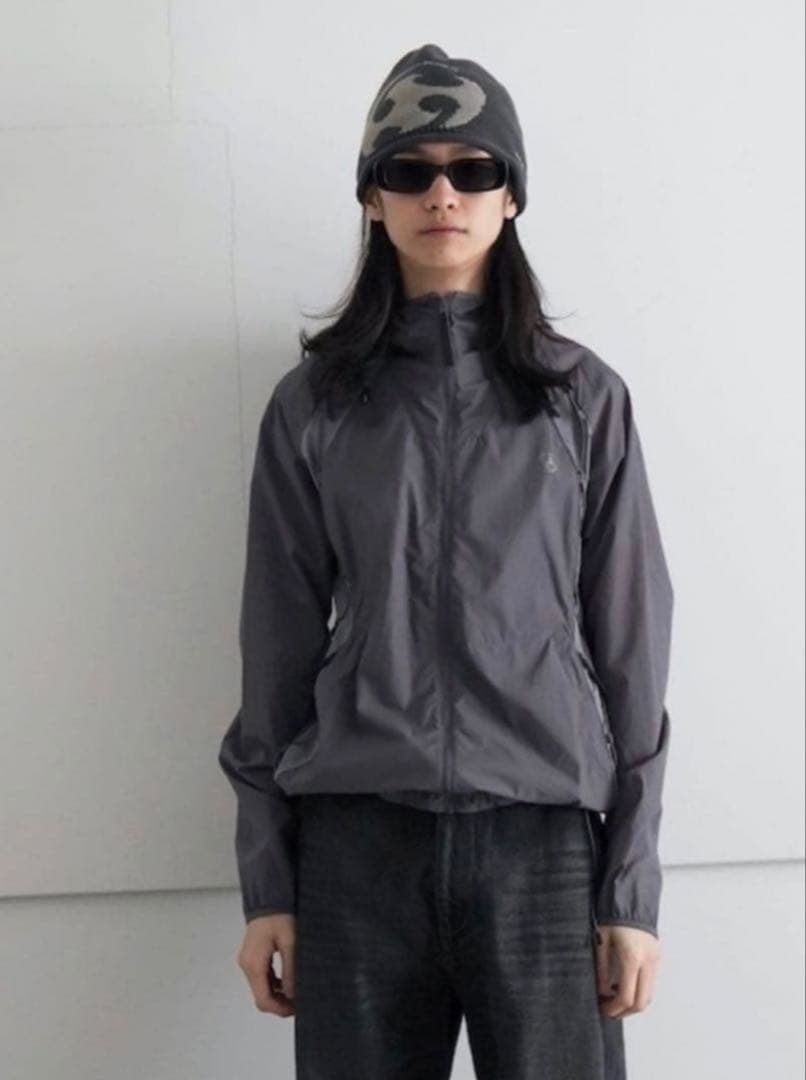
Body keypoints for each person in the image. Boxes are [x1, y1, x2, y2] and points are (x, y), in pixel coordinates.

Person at [218, 42, 674, 1080]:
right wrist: (269, 883)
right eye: (408, 170)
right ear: (370, 198)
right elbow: (275, 646)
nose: (441, 194)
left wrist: (630, 890)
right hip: (357, 852)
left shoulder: (579, 402)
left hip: (542, 848)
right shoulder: (315, 406)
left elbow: (633, 652)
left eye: (473, 169)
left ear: (510, 197)